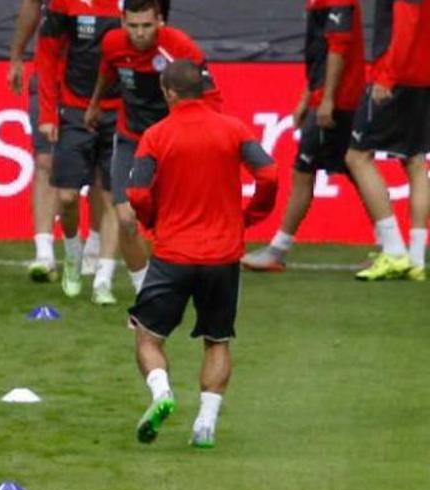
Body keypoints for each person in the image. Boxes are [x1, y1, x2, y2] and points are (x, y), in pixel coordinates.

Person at [125, 61, 279, 449]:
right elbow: (270, 174)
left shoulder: (156, 136)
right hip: (222, 256)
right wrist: (251, 215)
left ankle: (162, 395)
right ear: (204, 90)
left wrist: (153, 220)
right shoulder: (234, 129)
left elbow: (138, 193)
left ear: (168, 93)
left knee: (148, 338)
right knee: (217, 340)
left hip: (174, 253)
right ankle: (205, 424)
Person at [85, 0, 219, 299]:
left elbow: (211, 94)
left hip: (172, 142)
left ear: (160, 21)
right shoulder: (113, 43)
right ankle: (146, 293)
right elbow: (107, 72)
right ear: (122, 22)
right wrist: (95, 104)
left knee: (178, 224)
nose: (140, 33)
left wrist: (208, 137)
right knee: (126, 219)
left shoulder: (181, 47)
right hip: (131, 138)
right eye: (133, 26)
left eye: (147, 25)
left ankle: (197, 284)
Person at [242, 0, 373, 276]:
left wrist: (326, 100)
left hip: (338, 99)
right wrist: (306, 97)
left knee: (306, 170)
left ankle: (277, 250)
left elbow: (338, 48)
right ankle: (391, 245)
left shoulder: (337, 1)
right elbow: (321, 54)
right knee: (354, 168)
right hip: (330, 96)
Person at [336, 0, 429, 281]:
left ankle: (394, 250)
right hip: (423, 76)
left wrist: (388, 77)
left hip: (399, 76)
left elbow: (406, 24)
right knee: (414, 160)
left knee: (357, 156)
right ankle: (415, 258)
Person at [36, 0, 123, 301]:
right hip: (74, 110)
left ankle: (103, 280)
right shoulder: (65, 3)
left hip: (120, 113)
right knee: (67, 197)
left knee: (113, 197)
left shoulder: (134, 6)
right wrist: (48, 113)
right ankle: (73, 253)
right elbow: (47, 53)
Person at [8, 0, 60, 282]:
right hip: (48, 72)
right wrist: (17, 56)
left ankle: (92, 252)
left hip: (96, 75)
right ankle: (44, 251)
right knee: (44, 160)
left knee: (100, 170)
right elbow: (32, 5)